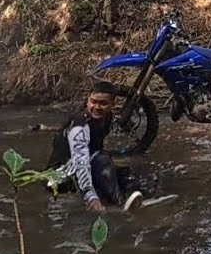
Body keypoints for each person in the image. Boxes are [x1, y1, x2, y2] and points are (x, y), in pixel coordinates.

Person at [45, 81, 144, 211]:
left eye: (103, 103)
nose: (97, 107)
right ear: (88, 101)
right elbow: (81, 162)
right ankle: (119, 205)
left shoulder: (108, 118)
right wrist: (91, 196)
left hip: (79, 166)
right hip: (58, 176)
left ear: (113, 105)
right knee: (103, 160)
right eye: (93, 102)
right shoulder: (80, 127)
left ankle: (131, 198)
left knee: (125, 173)